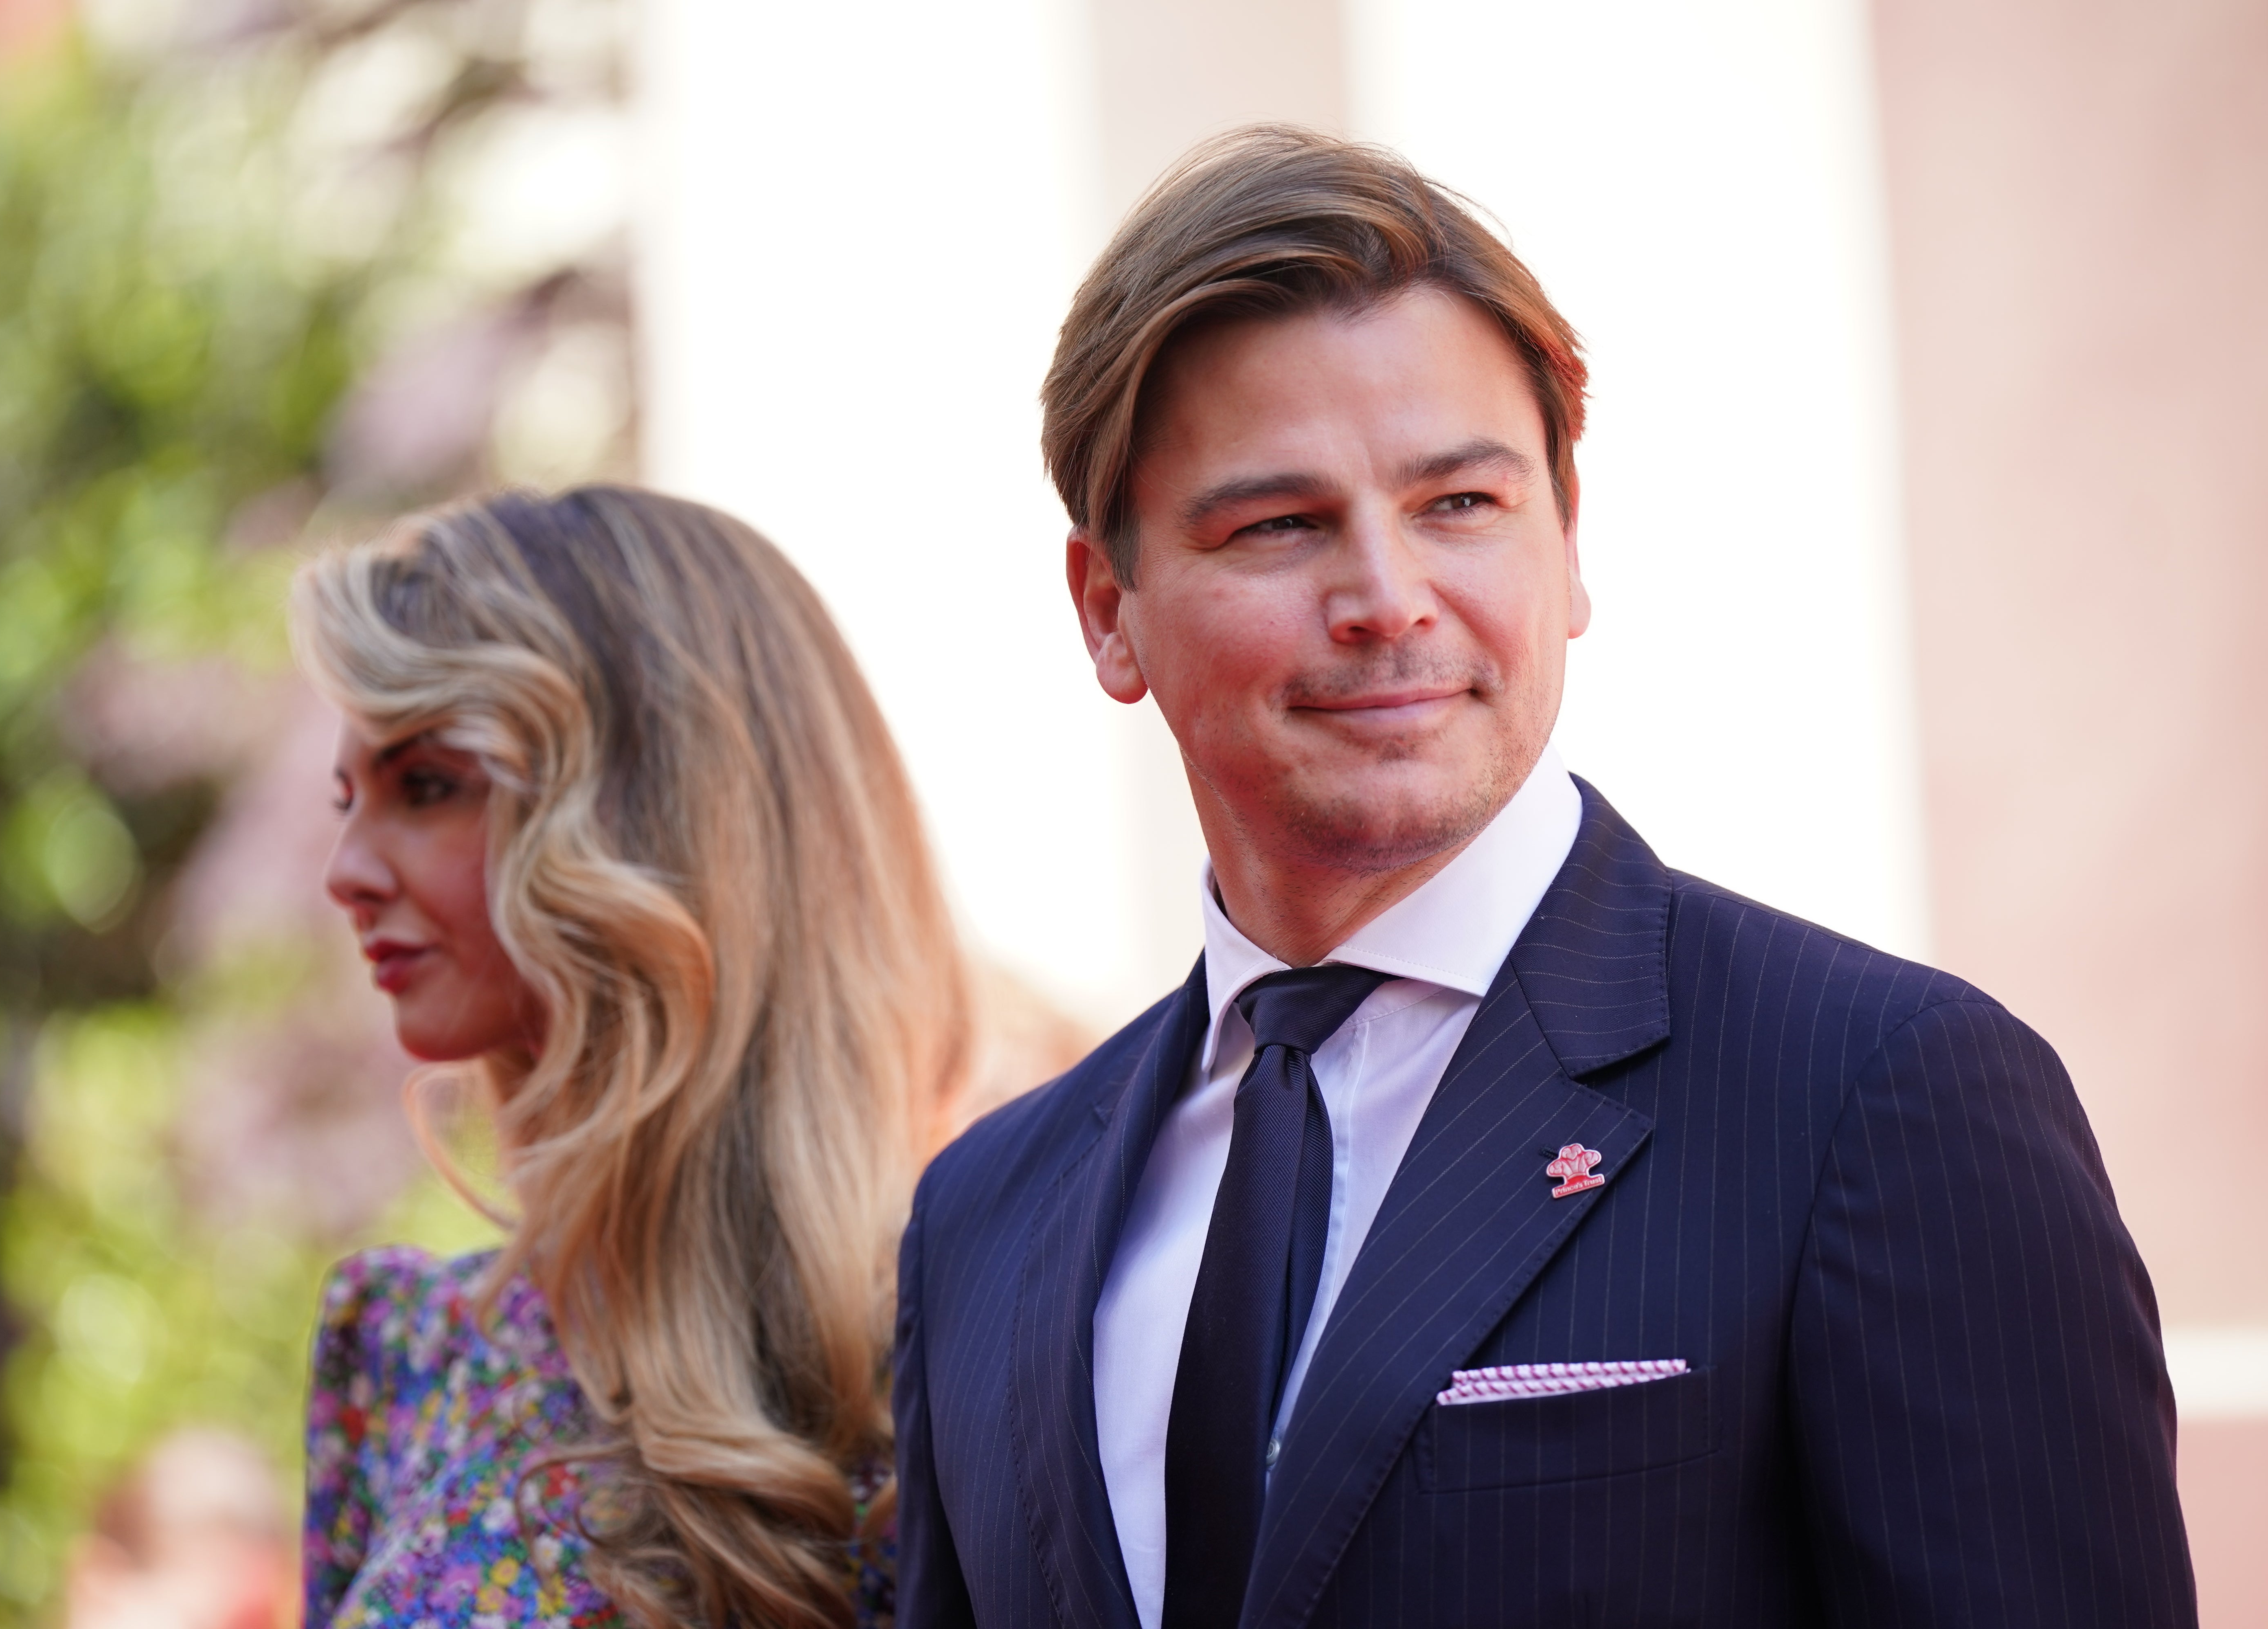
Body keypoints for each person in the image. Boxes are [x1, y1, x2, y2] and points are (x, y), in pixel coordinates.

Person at [892, 127, 2194, 1628]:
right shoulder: (984, 1215)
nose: (1388, 602)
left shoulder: (1879, 1096)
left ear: (1568, 544)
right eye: (1281, 525)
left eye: (1461, 505)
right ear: (1109, 610)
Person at [292, 486, 969, 1629]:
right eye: (351, 796)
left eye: (427, 785)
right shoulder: (404, 1349)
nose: (346, 870)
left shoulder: (977, 1360)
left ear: (650, 815)